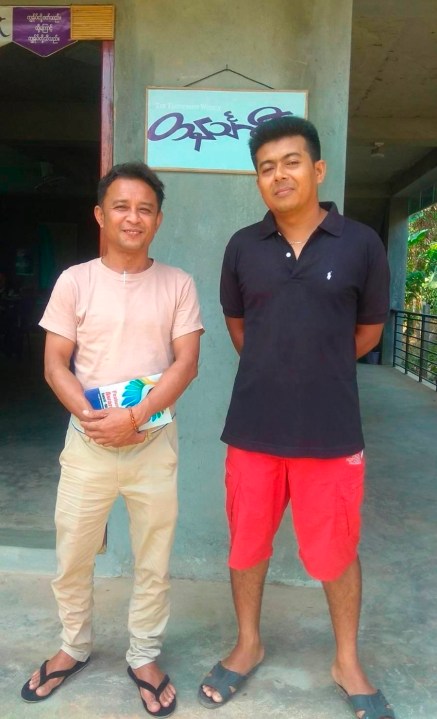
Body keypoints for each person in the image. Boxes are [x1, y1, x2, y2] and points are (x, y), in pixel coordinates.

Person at [198, 117, 395, 719]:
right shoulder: (242, 246)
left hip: (331, 431)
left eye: (290, 162)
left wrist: (314, 366)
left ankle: (346, 661)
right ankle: (248, 644)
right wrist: (278, 364)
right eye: (265, 166)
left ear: (317, 170)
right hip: (254, 428)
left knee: (336, 550)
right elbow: (239, 329)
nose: (278, 174)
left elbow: (367, 332)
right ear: (256, 178)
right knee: (247, 544)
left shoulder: (360, 243)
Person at [21, 162, 204, 716]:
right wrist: (94, 418)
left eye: (144, 208)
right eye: (121, 206)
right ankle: (73, 646)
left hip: (153, 444)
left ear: (158, 219)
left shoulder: (178, 284)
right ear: (101, 214)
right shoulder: (75, 280)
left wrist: (137, 416)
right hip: (87, 443)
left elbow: (186, 363)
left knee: (153, 557)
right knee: (73, 554)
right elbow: (56, 363)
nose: (133, 217)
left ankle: (144, 655)